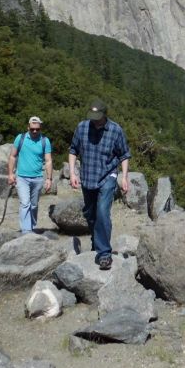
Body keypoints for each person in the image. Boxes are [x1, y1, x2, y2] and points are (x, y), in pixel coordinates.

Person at [68, 99, 130, 270]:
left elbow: (124, 154)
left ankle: (104, 254)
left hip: (107, 177)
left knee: (102, 211)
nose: (94, 120)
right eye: (92, 116)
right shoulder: (82, 127)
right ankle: (96, 242)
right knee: (90, 214)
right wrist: (73, 173)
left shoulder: (116, 130)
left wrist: (124, 177)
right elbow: (73, 150)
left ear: (105, 115)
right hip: (88, 177)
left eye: (98, 116)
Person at [7, 116, 53, 234]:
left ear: (40, 128)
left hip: (37, 178)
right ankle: (26, 231)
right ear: (28, 127)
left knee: (33, 205)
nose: (34, 131)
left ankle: (31, 226)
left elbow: (48, 161)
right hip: (22, 177)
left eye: (37, 129)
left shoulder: (45, 141)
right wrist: (10, 174)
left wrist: (49, 179)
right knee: (25, 203)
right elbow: (12, 156)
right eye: (32, 129)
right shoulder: (20, 138)